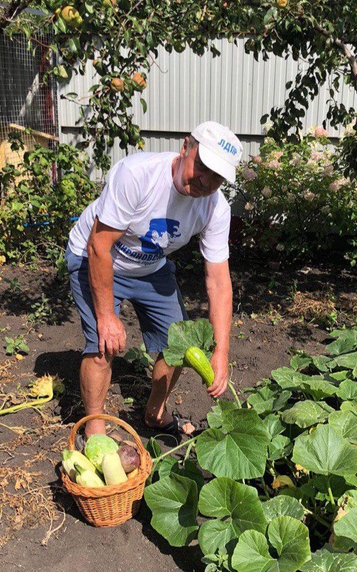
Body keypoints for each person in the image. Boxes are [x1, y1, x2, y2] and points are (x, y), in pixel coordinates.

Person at [65, 121, 242, 439]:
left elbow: (218, 281)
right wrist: (106, 316)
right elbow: (99, 246)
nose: (205, 180)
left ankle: (155, 413)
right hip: (95, 255)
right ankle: (94, 428)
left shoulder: (216, 208)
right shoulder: (138, 175)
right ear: (186, 146)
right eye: (202, 166)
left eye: (217, 177)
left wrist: (221, 351)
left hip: (149, 266)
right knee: (103, 346)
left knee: (180, 345)